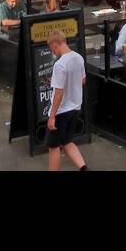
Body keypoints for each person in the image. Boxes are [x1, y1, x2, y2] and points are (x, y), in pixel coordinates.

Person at [44, 30, 88, 171]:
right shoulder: (79, 58)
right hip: (75, 108)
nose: (53, 52)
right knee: (67, 141)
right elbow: (83, 80)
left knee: (53, 146)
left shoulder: (60, 64)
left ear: (55, 44)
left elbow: (59, 92)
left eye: (52, 49)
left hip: (61, 112)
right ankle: (84, 169)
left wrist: (51, 116)